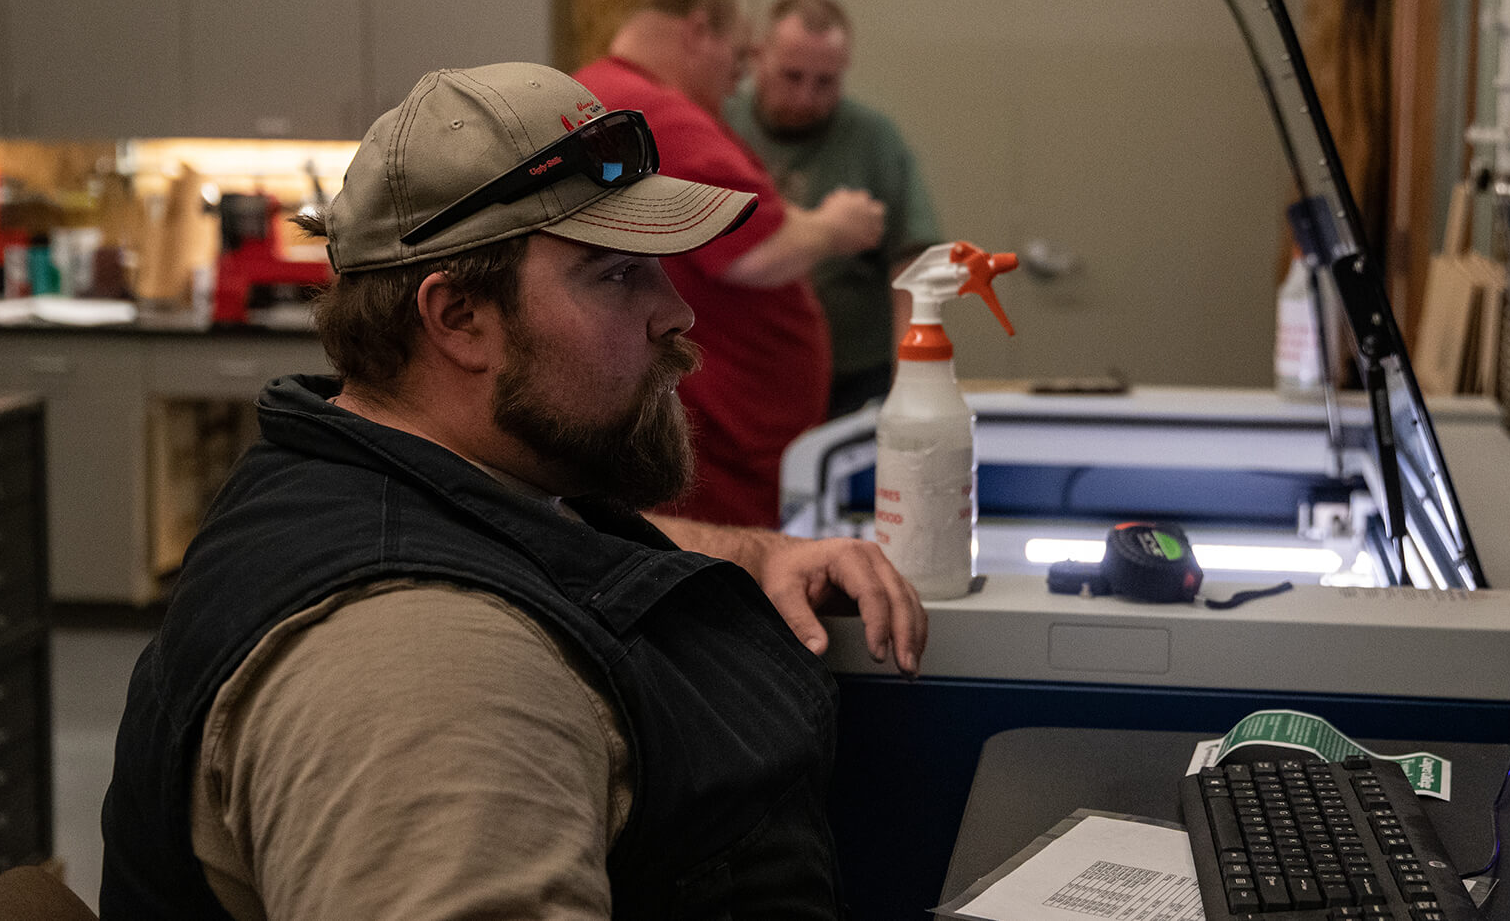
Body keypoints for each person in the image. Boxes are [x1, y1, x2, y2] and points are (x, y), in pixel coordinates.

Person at [99, 62, 925, 921]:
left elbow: (536, 548)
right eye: (614, 274)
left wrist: (759, 551)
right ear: (458, 318)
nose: (675, 312)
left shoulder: (381, 472)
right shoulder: (425, 673)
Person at [574, 0, 886, 527]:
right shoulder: (656, 112)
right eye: (738, 59)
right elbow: (757, 250)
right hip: (725, 448)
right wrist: (835, 226)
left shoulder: (603, 95)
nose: (737, 82)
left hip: (719, 428)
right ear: (699, 31)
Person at [727, 0, 943, 419]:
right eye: (792, 76)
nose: (807, 98)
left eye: (825, 82)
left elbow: (914, 264)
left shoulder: (874, 138)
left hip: (853, 376)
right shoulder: (720, 121)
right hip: (742, 371)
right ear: (758, 57)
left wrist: (912, 384)